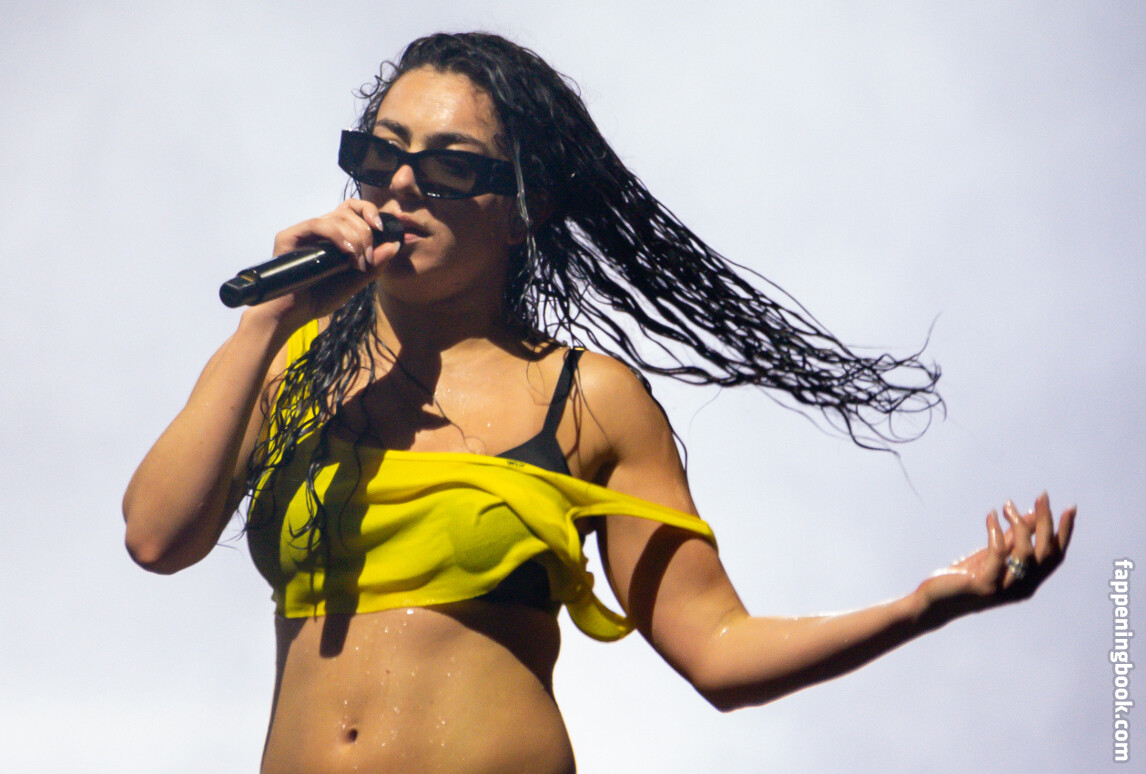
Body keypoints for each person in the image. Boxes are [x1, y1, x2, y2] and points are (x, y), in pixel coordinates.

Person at [123, 32, 1075, 774]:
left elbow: (720, 652)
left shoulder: (586, 401)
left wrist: (925, 605)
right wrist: (264, 324)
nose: (402, 183)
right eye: (381, 155)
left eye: (450, 166)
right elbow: (157, 537)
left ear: (523, 208)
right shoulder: (289, 362)